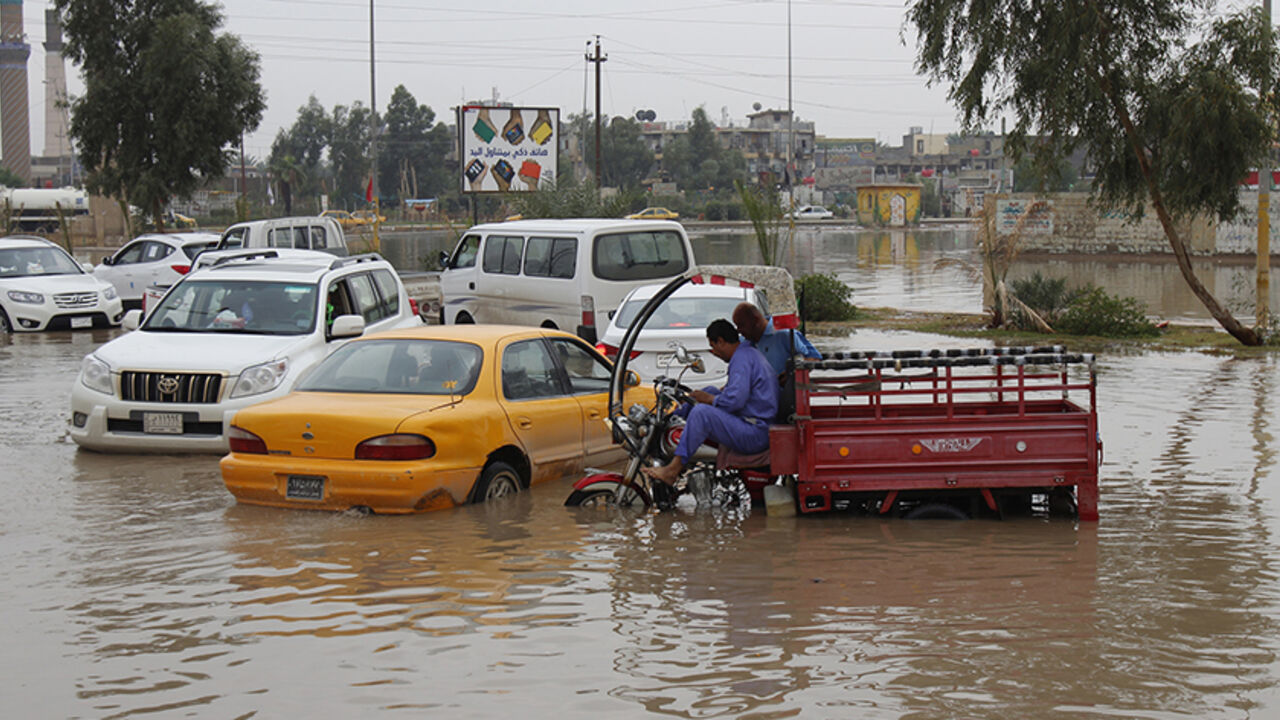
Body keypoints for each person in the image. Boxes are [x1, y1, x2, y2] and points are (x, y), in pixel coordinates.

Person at [641, 319, 778, 485]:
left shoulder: (741, 359)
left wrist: (709, 400)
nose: (714, 352)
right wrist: (708, 396)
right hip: (753, 424)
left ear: (721, 341)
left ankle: (673, 470)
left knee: (701, 412)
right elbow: (735, 391)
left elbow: (735, 401)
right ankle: (667, 427)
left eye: (713, 346)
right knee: (710, 390)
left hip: (755, 431)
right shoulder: (747, 353)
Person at [731, 302, 820, 378]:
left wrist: (792, 375)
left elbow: (814, 358)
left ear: (756, 320)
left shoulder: (785, 334)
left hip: (785, 395)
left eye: (741, 325)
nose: (739, 330)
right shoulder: (744, 342)